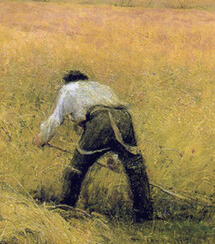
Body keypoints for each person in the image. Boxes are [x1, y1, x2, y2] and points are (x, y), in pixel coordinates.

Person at [33, 70, 153, 221]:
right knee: (135, 167)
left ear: (68, 81)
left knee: (75, 169)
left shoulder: (68, 90)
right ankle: (144, 215)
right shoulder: (101, 88)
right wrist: (115, 157)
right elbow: (114, 122)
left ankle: (65, 210)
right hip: (124, 118)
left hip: (100, 120)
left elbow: (56, 119)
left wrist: (42, 138)